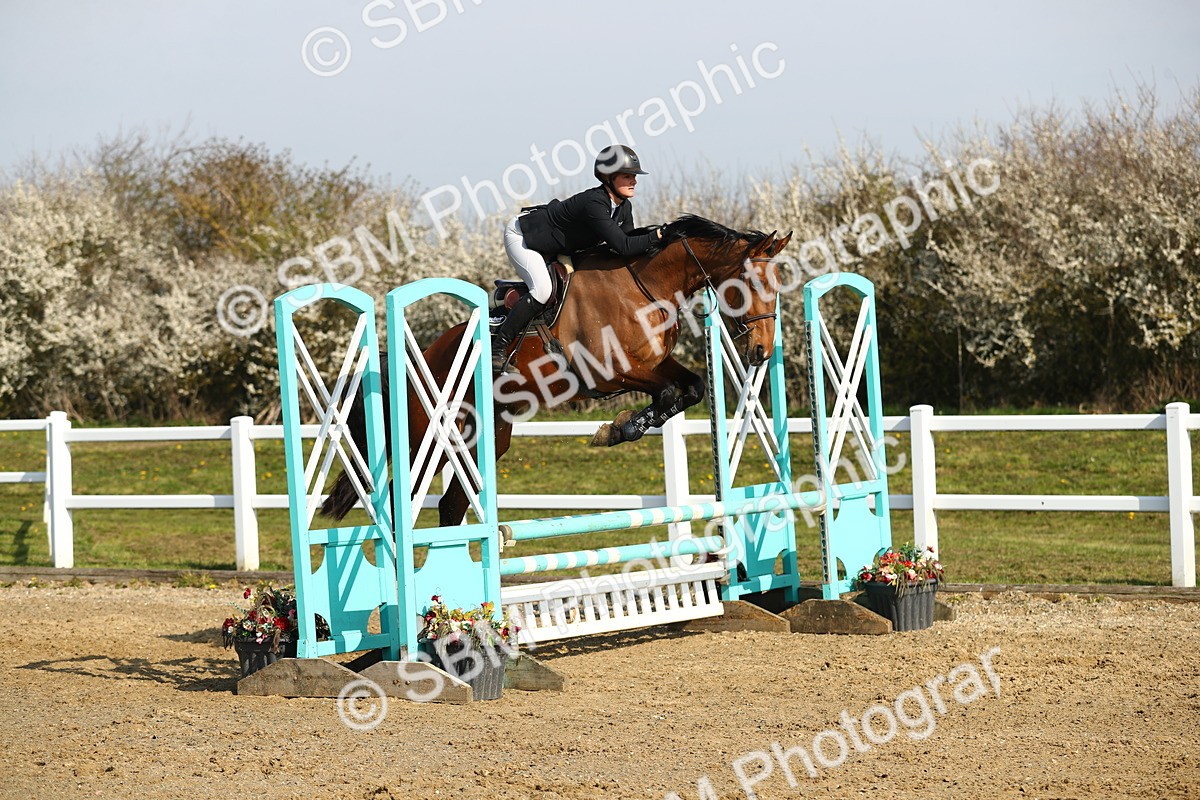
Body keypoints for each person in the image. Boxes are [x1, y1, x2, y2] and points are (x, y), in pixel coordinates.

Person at [493, 144, 665, 374]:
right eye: (627, 176)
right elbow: (623, 246)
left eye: (634, 176)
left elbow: (629, 246)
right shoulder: (594, 203)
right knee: (543, 291)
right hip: (525, 237)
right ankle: (498, 350)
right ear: (609, 177)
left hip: (558, 244)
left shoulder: (624, 207)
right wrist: (658, 236)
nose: (634, 181)